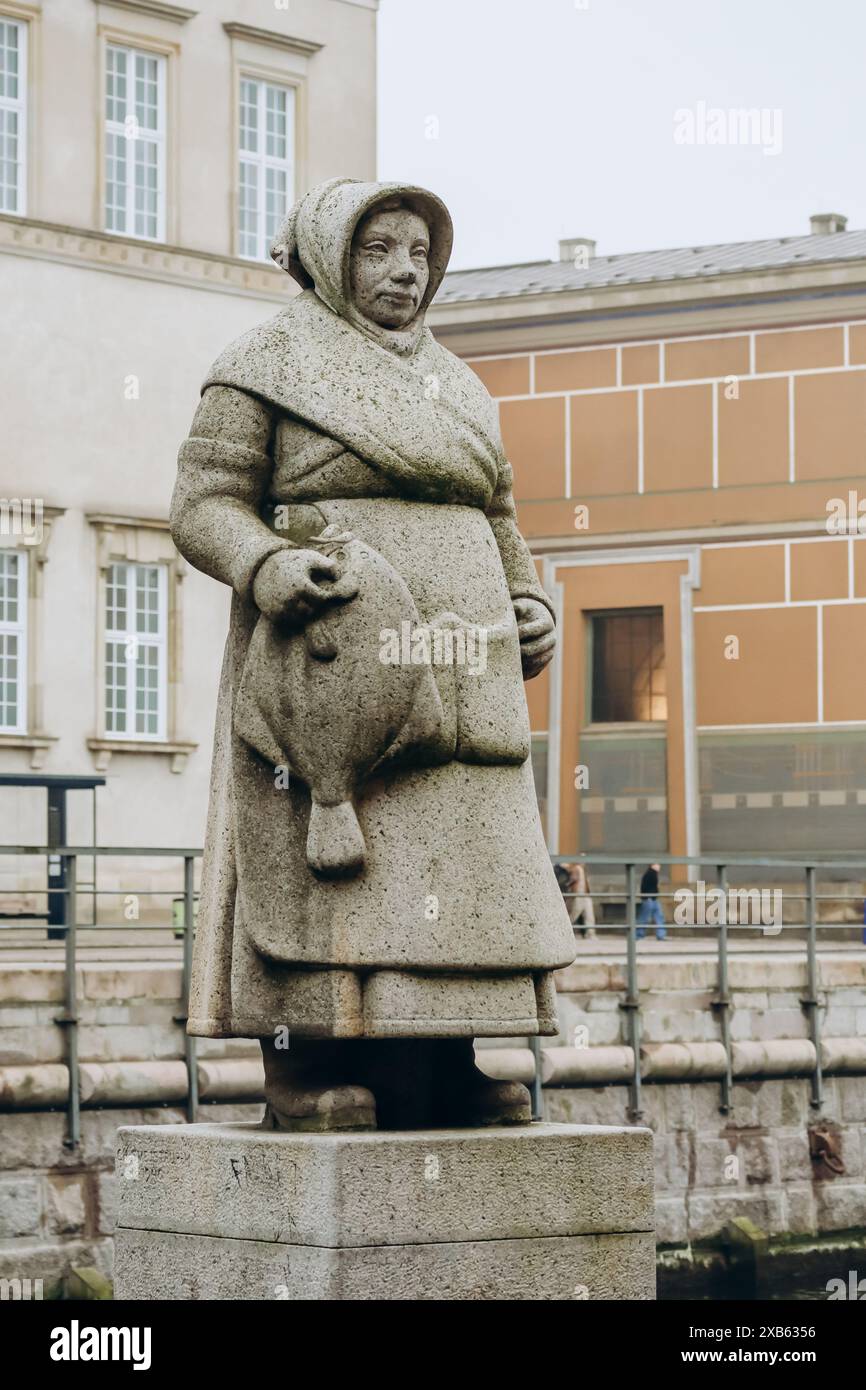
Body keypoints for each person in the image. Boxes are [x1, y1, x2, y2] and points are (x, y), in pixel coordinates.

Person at [169, 178, 576, 1131]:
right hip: (334, 651)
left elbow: (499, 515)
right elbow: (202, 504)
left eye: (419, 254)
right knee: (335, 875)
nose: (404, 270)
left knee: (460, 864)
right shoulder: (264, 363)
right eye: (378, 249)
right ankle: (301, 1069)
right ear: (328, 254)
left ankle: (448, 1061)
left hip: (466, 665)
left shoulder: (459, 385)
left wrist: (527, 599)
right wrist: (264, 560)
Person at [636, 862, 666, 940]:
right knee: (649, 917)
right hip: (650, 899)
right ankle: (660, 935)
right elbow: (648, 887)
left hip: (651, 899)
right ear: (652, 865)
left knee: (654, 916)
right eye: (657, 864)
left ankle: (640, 934)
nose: (659, 866)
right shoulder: (651, 873)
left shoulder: (651, 873)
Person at [568, 862, 596, 940]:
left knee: (589, 915)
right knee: (574, 913)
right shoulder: (576, 868)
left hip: (586, 895)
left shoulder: (584, 869)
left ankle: (591, 934)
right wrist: (574, 894)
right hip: (579, 894)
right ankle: (565, 928)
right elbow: (573, 882)